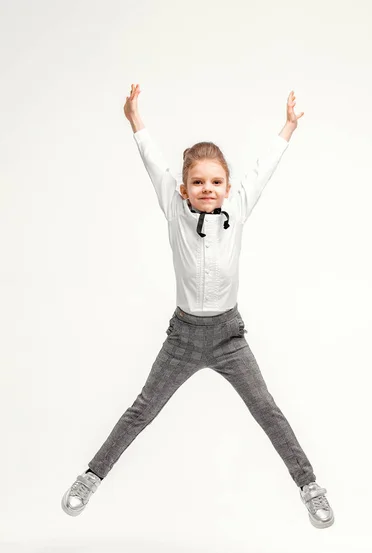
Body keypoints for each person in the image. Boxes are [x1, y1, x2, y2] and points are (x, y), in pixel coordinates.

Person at [61, 83, 334, 529]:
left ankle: (310, 487)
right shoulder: (174, 209)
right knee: (141, 410)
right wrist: (135, 120)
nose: (208, 188)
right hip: (183, 337)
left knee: (267, 410)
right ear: (184, 189)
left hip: (229, 336)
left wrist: (287, 125)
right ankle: (90, 477)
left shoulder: (239, 208)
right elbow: (153, 164)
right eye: (198, 182)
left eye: (216, 182)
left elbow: (264, 169)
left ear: (227, 187)